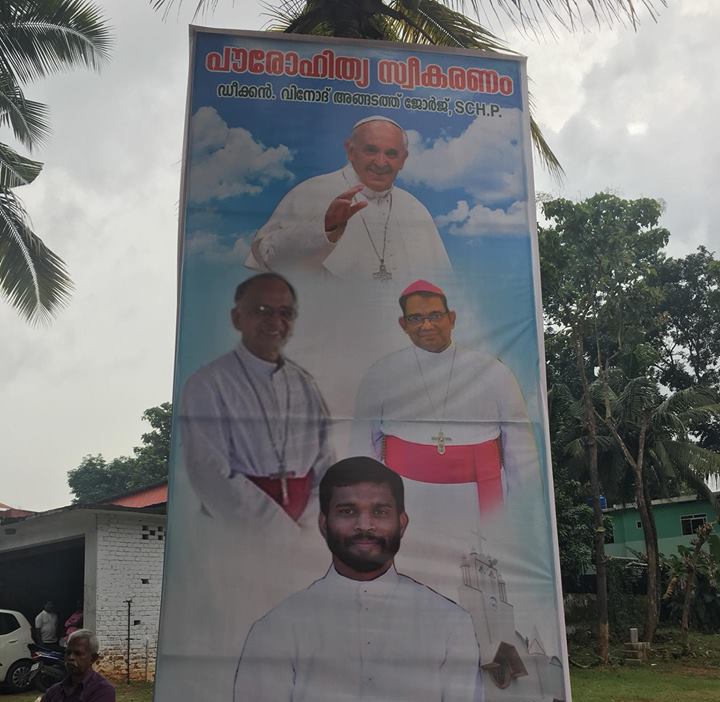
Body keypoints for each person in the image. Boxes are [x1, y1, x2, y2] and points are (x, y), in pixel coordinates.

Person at [231, 457, 484, 702]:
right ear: (323, 523)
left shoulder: (449, 624)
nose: (365, 525)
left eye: (379, 511)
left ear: (402, 522)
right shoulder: (277, 629)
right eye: (348, 511)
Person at [351, 279, 540, 511]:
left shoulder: (494, 371)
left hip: (481, 498)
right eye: (415, 318)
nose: (426, 325)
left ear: (452, 318)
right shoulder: (380, 373)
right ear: (403, 324)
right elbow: (363, 444)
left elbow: (519, 448)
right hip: (405, 496)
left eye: (435, 315)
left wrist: (524, 510)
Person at [180, 272, 334, 527]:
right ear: (237, 317)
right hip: (234, 530)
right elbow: (208, 470)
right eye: (262, 310)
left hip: (306, 528)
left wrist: (310, 525)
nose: (275, 321)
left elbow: (326, 459)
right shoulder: (207, 383)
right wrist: (281, 530)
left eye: (285, 313)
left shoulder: (304, 383)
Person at [245, 117, 452, 282]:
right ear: (351, 152)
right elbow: (267, 257)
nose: (381, 163)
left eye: (391, 154)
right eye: (371, 150)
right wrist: (324, 229)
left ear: (403, 160)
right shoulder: (311, 191)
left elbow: (441, 283)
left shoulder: (415, 209)